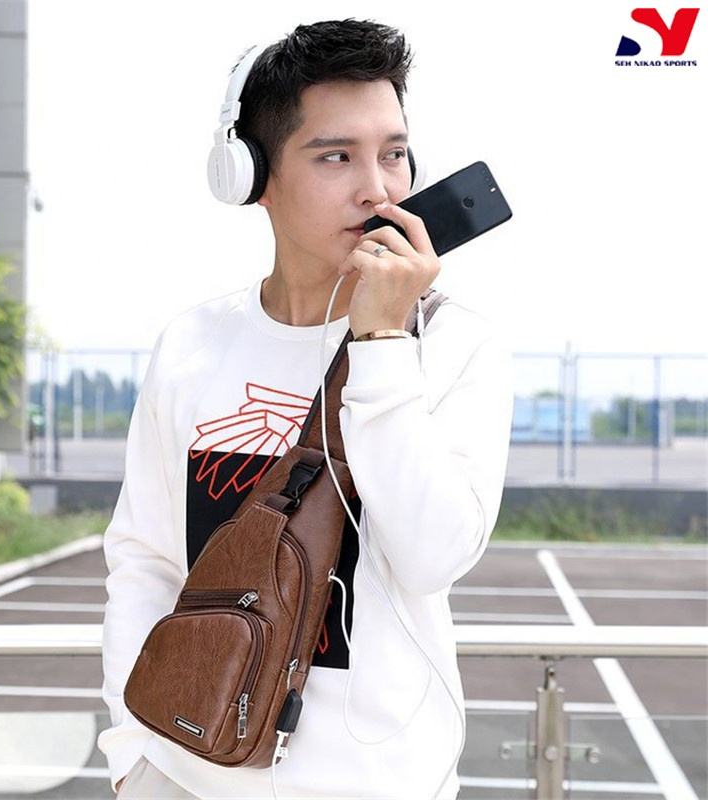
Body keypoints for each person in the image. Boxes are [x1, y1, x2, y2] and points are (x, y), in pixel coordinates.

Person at [98, 17, 514, 800]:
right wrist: (133, 760)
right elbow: (145, 562)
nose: (378, 188)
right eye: (335, 156)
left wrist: (383, 341)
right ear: (253, 176)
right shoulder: (192, 344)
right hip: (186, 775)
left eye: (393, 153)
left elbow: (433, 558)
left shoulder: (455, 345)